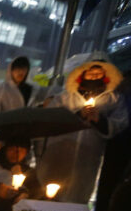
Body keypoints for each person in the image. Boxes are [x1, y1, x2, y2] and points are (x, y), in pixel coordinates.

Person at [38, 60, 129, 203]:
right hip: (58, 151)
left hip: (88, 155)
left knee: (78, 194)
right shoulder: (64, 97)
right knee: (50, 192)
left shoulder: (113, 99)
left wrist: (99, 121)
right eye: (90, 73)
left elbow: (120, 123)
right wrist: (77, 116)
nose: (94, 76)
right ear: (82, 74)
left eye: (98, 73)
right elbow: (51, 120)